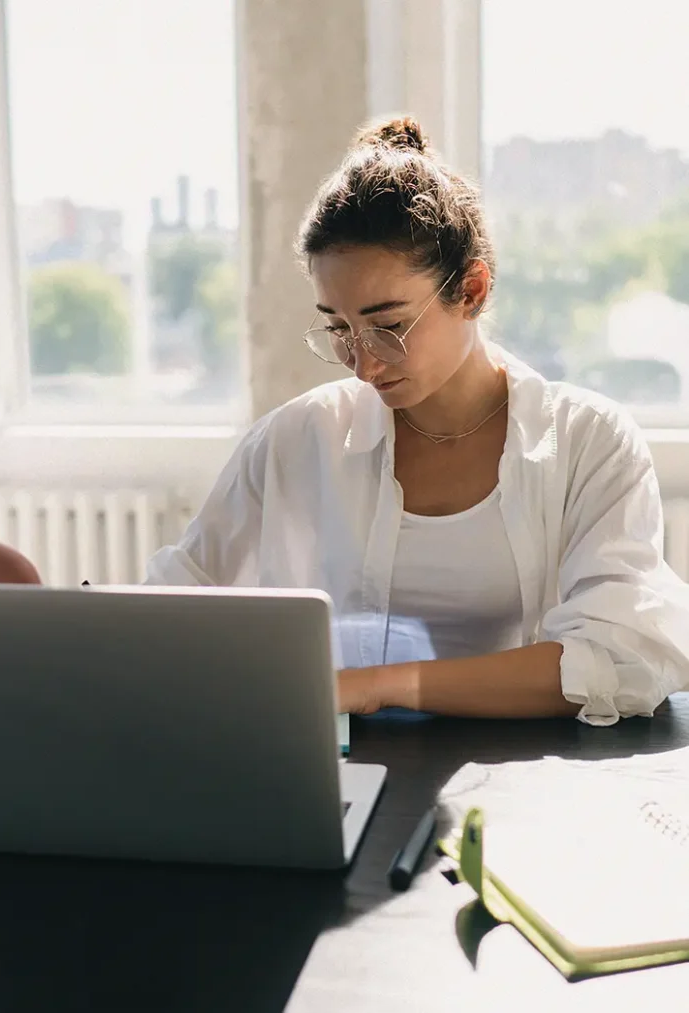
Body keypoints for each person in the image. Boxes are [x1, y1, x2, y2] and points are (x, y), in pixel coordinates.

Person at [146, 115, 689, 726]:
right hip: (340, 771)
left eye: (388, 324)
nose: (362, 361)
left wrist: (375, 686)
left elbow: (621, 657)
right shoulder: (297, 439)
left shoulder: (589, 441)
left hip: (527, 780)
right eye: (339, 327)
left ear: (473, 290)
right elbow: (174, 602)